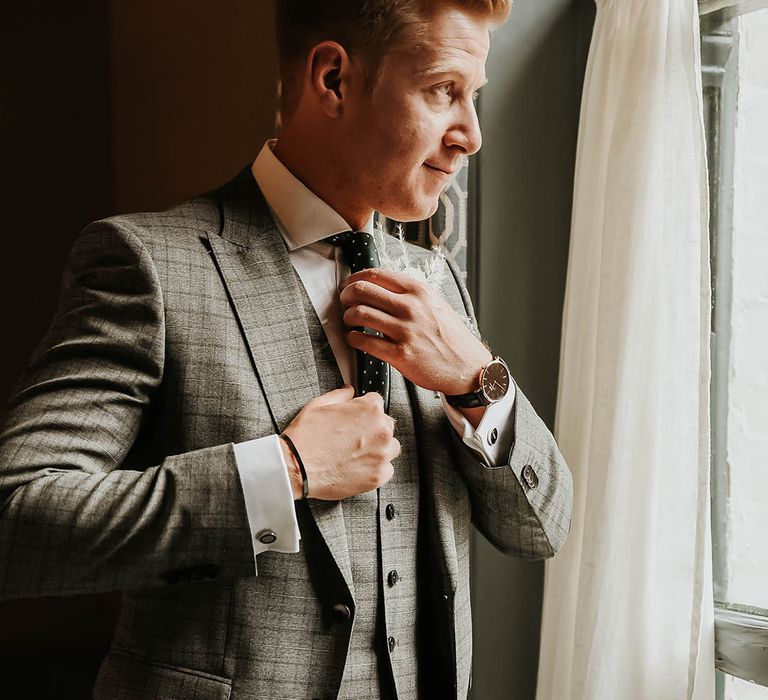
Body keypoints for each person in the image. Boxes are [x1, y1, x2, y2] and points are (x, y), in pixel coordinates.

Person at [0, 1, 573, 698]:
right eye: (441, 91)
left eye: (472, 97)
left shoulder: (436, 280)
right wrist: (287, 468)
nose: (471, 136)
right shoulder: (149, 264)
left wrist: (473, 378)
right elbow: (19, 522)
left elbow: (540, 528)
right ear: (332, 78)